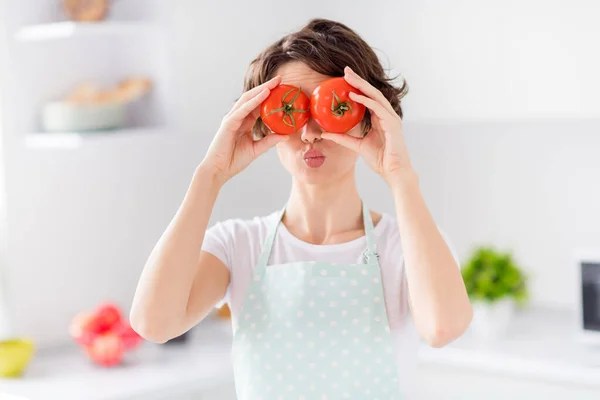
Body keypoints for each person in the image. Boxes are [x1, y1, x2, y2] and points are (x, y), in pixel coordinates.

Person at [130, 18, 473, 399]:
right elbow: (153, 323)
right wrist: (209, 175)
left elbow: (443, 328)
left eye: (330, 109)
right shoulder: (237, 245)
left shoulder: (407, 244)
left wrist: (400, 176)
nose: (309, 133)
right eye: (290, 110)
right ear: (262, 122)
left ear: (367, 118)